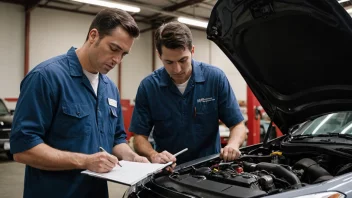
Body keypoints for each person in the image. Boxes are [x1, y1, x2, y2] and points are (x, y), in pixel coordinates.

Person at [10, 8, 149, 198]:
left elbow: (116, 139)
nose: (117, 60)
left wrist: (133, 158)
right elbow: (23, 149)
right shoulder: (46, 78)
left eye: (123, 54)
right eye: (114, 48)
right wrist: (85, 161)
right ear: (93, 36)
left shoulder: (110, 88)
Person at [129, 21, 247, 169]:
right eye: (169, 62)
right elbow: (139, 137)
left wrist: (233, 145)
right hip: (168, 171)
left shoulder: (215, 78)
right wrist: (153, 155)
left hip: (210, 169)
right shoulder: (149, 87)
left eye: (182, 60)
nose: (177, 69)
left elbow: (238, 125)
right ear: (159, 55)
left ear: (192, 50)